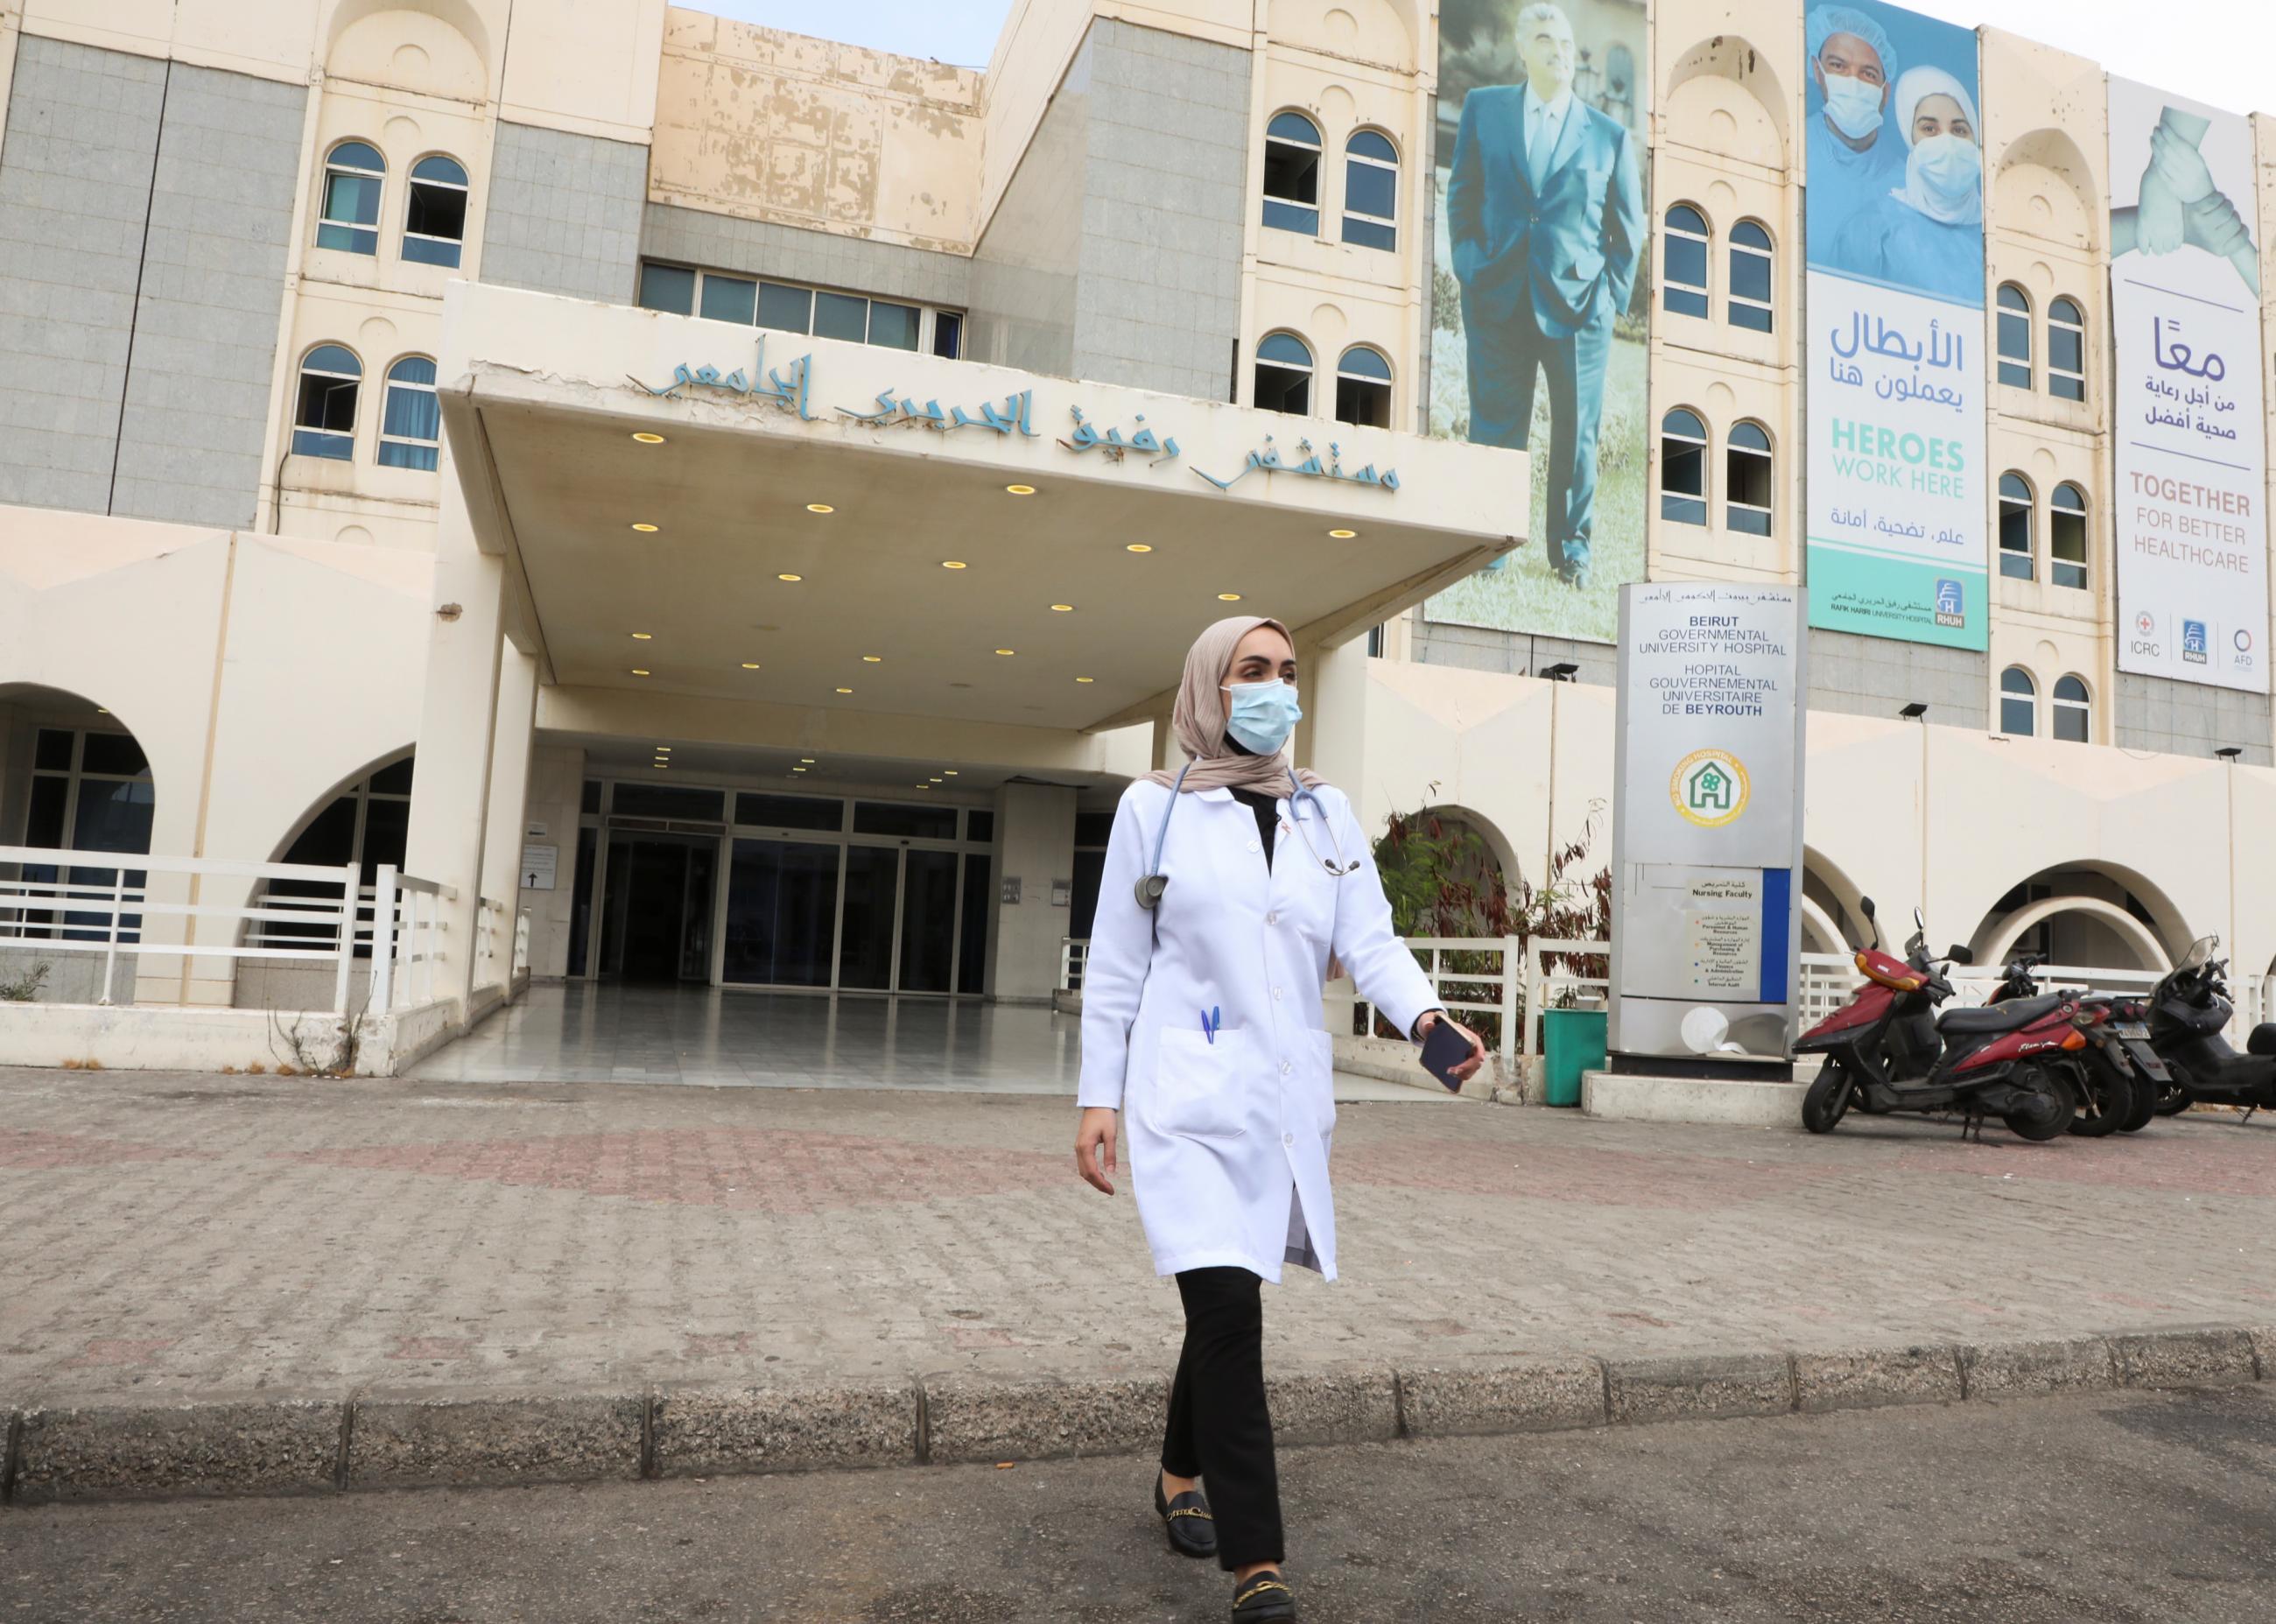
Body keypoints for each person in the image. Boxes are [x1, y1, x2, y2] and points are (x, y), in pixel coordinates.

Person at [1073, 616, 1486, 1621]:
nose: (1273, 689)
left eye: (1286, 673)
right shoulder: (1152, 810)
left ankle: (1178, 1472)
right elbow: (1118, 961)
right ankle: (1258, 1565)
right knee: (1227, 1310)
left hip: (1278, 1106)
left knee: (1224, 1304)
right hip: (1182, 1106)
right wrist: (1097, 1096)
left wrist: (1428, 1024)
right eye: (1250, 671)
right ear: (1207, 688)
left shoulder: (1323, 814)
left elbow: (1372, 941)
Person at [1444, 2, 1643, 592]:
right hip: (1497, 296)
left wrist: (1607, 298)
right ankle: (1491, 547)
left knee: (1576, 436)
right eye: (1544, 39)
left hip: (1580, 309)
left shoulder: (1610, 136)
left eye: (1565, 40)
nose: (1558, 50)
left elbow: (1628, 230)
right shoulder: (1485, 111)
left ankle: (1571, 553)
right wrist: (1469, 264)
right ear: (1523, 49)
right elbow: (1462, 196)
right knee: (1495, 427)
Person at [1831, 67, 1984, 305]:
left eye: (1959, 130)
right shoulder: (1872, 228)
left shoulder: (1994, 237)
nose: (1947, 141)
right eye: (1929, 129)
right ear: (1909, 136)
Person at [1804, 4, 1905, 259]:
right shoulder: (1796, 145)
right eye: (1838, 66)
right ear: (1818, 71)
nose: (1853, 81)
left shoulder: (1907, 182)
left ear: (1885, 90)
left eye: (1868, 73)